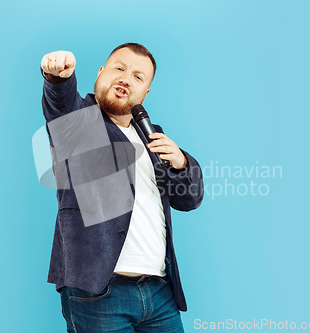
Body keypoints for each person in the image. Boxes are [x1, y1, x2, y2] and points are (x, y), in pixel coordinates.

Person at [40, 42, 204, 332]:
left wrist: (181, 164)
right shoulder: (78, 122)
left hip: (159, 292)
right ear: (101, 73)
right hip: (99, 293)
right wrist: (57, 77)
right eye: (119, 68)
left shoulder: (153, 138)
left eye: (138, 77)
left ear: (146, 93)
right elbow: (60, 102)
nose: (126, 78)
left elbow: (188, 200)